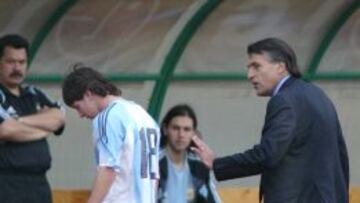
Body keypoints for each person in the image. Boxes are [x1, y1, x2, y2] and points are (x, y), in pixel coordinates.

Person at [191, 38, 349, 203]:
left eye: (256, 66)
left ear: (280, 67)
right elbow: (340, 156)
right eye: (249, 68)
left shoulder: (284, 100)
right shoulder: (318, 95)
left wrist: (216, 163)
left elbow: (268, 154)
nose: (250, 75)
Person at [62, 64, 160, 203]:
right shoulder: (145, 117)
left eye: (78, 107)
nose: (80, 114)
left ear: (88, 94)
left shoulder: (107, 118)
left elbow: (108, 168)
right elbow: (155, 176)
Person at [0, 34, 65, 203]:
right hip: (7, 184)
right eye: (11, 62)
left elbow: (59, 118)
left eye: (22, 62)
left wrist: (19, 121)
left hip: (39, 185)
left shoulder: (34, 93)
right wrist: (43, 129)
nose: (17, 68)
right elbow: (5, 130)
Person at [157, 104, 221, 203]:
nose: (181, 135)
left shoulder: (199, 167)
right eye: (175, 128)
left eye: (187, 129)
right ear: (165, 129)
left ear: (193, 133)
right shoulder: (153, 165)